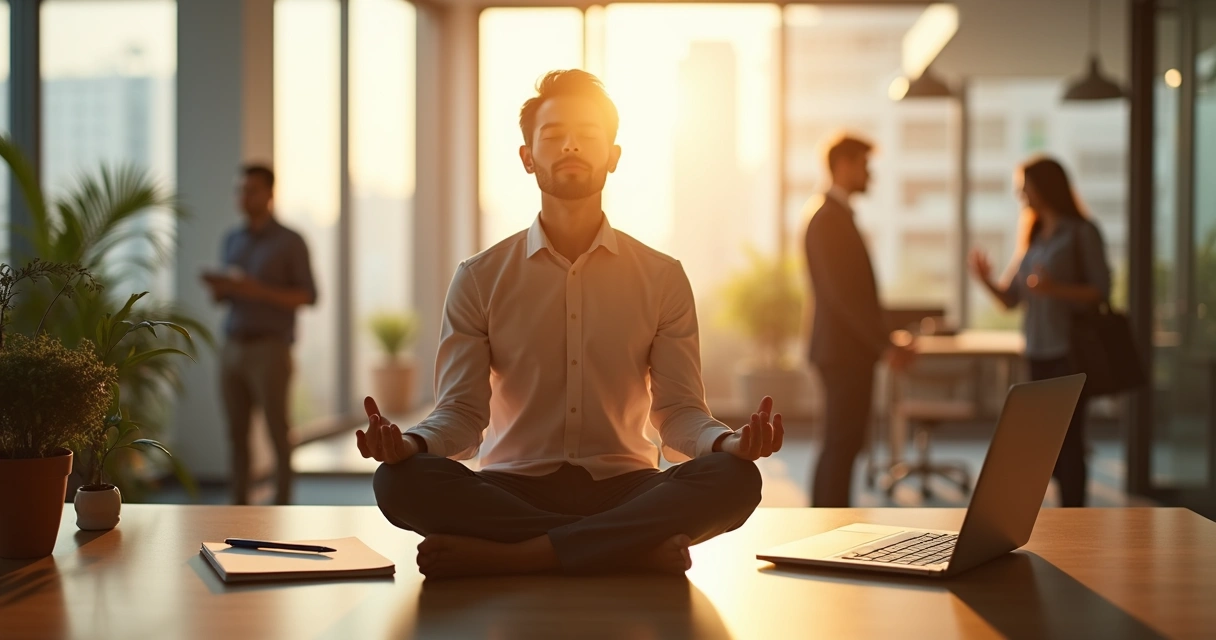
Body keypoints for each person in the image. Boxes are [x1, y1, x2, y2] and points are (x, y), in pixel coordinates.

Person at [358, 70, 783, 579]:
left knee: (735, 479)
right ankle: (622, 548)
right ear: (527, 157)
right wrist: (409, 445)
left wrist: (729, 443)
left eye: (587, 134)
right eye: (554, 136)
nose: (572, 146)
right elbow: (463, 413)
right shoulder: (480, 277)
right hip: (511, 486)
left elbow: (678, 414)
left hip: (626, 486)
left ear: (614, 155)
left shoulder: (661, 276)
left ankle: (524, 556)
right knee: (398, 481)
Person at [968, 156, 1110, 507]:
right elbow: (1010, 299)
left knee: (1070, 441)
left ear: (1045, 187)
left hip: (1069, 351)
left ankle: (1075, 517)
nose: (1020, 194)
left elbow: (1101, 290)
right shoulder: (1033, 239)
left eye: (1024, 186)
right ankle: (1060, 515)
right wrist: (985, 279)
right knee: (1046, 445)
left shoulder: (1082, 232)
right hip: (1037, 350)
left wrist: (1054, 290)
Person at [803, 134, 915, 508]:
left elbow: (855, 296)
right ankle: (823, 523)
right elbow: (842, 298)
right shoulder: (827, 220)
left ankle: (827, 519)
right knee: (840, 444)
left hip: (847, 350)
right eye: (865, 166)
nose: (870, 175)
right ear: (844, 166)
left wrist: (884, 337)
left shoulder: (836, 217)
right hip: (841, 352)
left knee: (844, 443)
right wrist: (882, 344)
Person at [202, 165, 318, 506]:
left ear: (269, 193)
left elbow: (309, 295)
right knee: (236, 435)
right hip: (233, 346)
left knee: (277, 433)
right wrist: (222, 289)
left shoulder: (290, 241)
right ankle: (239, 507)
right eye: (240, 190)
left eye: (251, 190)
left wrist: (259, 291)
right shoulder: (232, 239)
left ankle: (282, 506)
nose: (243, 196)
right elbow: (231, 293)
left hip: (270, 348)